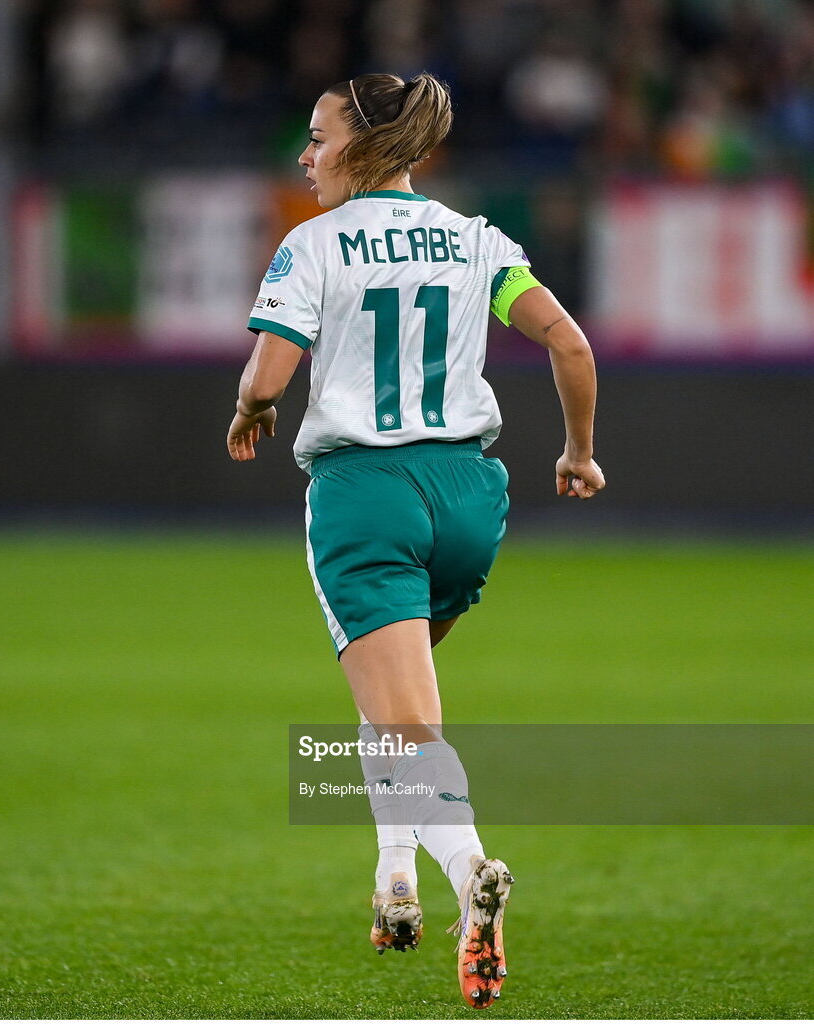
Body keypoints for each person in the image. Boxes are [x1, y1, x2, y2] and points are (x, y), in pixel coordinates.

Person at [227, 72, 605, 1010]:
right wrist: (579, 454)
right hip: (470, 500)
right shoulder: (478, 240)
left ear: (361, 145)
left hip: (367, 492)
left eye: (316, 138)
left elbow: (271, 372)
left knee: (406, 726)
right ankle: (394, 876)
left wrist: (247, 409)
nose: (304, 156)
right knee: (392, 705)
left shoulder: (312, 243)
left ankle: (468, 868)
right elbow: (571, 347)